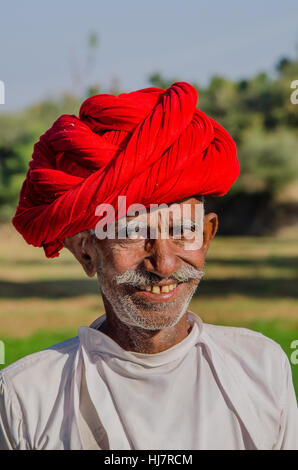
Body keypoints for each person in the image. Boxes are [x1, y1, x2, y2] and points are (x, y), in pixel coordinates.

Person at [0, 82, 297, 450]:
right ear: (86, 251)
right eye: (132, 233)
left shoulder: (262, 370)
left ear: (206, 235)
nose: (164, 262)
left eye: (183, 231)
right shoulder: (25, 399)